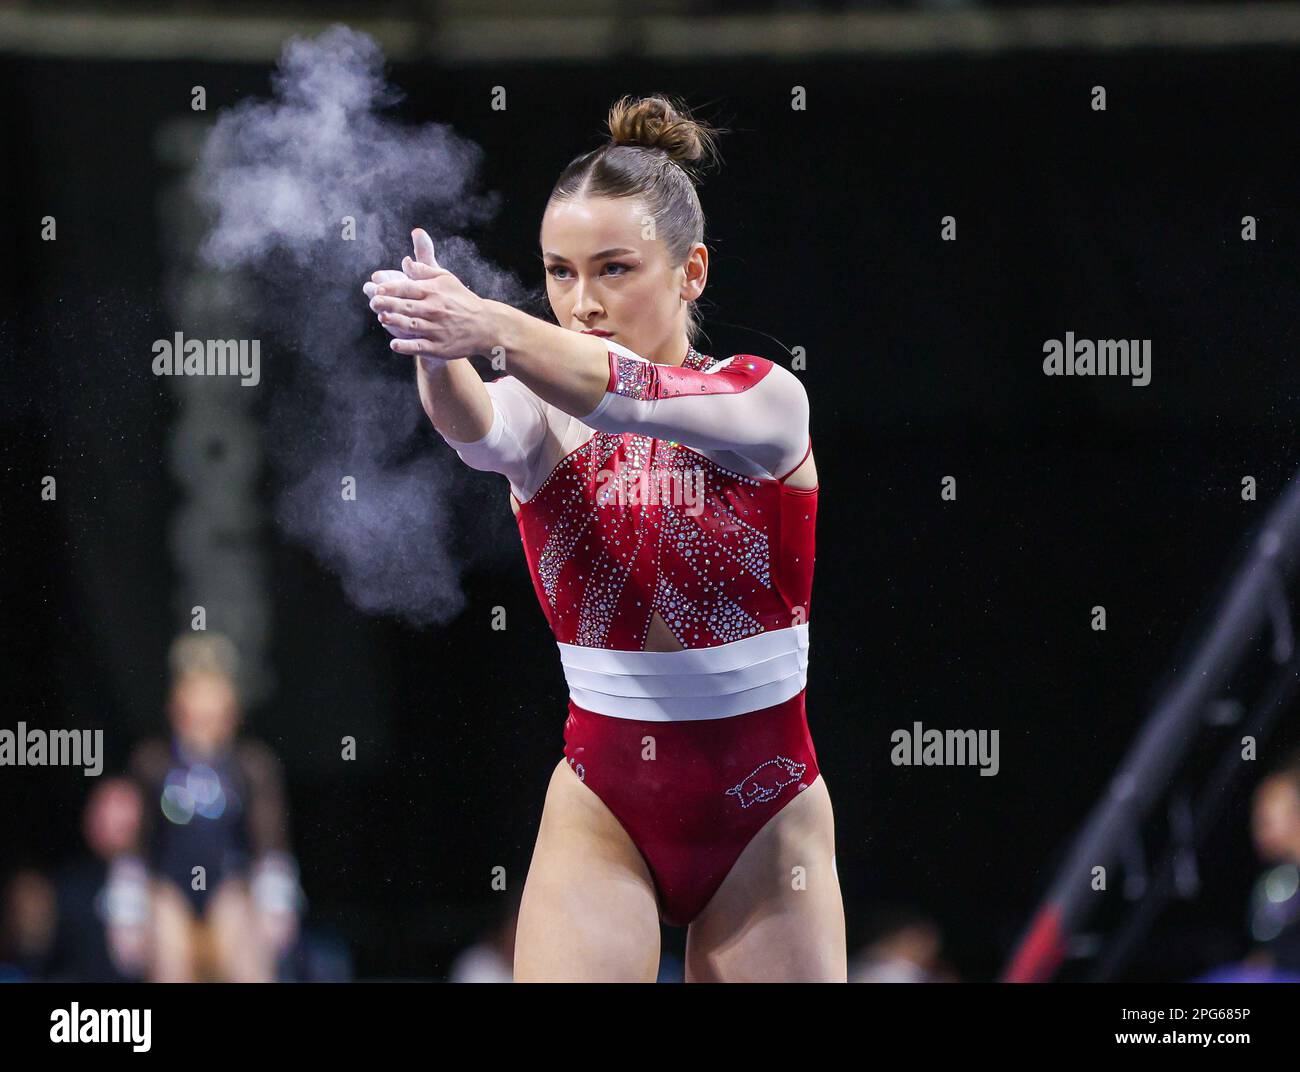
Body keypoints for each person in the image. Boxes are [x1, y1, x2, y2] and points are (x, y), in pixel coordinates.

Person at [364, 94, 845, 982]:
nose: (581, 303)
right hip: (605, 804)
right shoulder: (543, 412)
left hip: (767, 810)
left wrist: (496, 326)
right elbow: (474, 428)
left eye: (614, 269)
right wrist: (439, 342)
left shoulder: (767, 401)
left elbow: (635, 395)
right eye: (558, 272)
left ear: (691, 271)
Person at [131, 633, 302, 982]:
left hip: (229, 887)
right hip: (169, 889)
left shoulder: (252, 765)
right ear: (176, 709)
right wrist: (128, 907)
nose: (203, 725)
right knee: (166, 938)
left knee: (239, 926)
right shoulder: (153, 762)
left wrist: (275, 901)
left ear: (231, 713)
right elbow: (138, 841)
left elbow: (269, 840)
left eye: (213, 714)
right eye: (194, 714)